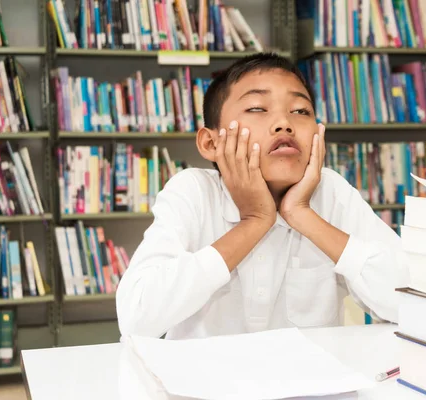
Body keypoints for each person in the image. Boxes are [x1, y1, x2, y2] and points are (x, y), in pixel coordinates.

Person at [115, 52, 410, 339]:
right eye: (257, 108)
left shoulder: (331, 192)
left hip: (307, 385)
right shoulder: (194, 192)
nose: (284, 123)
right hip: (206, 385)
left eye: (300, 111)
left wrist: (302, 214)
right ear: (210, 143)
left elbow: (413, 305)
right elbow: (135, 318)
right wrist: (255, 221)